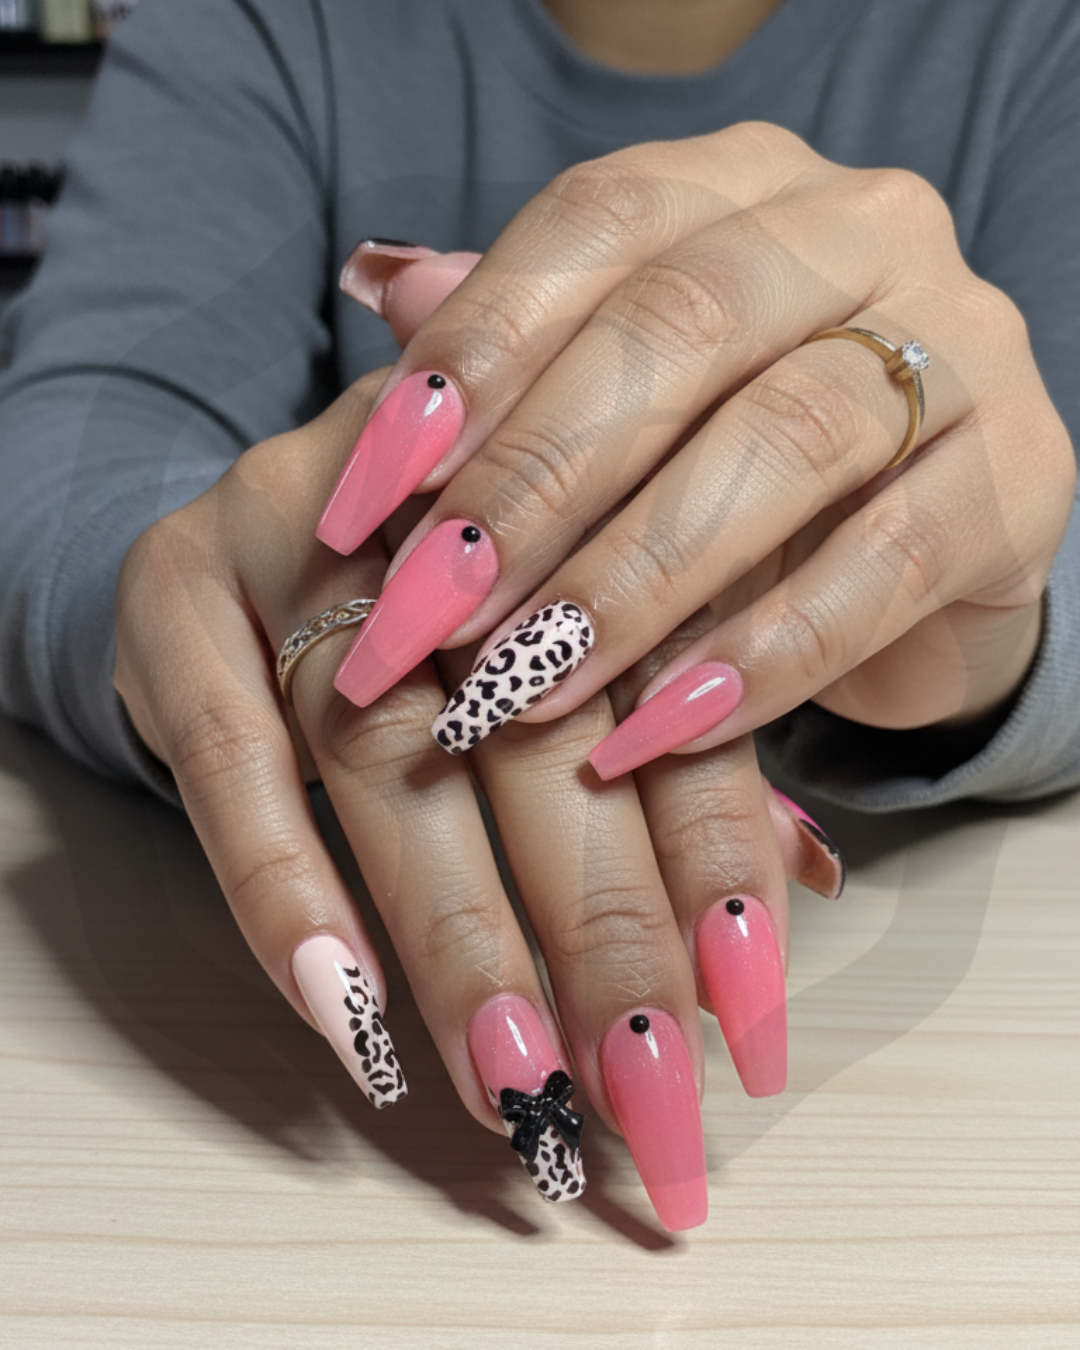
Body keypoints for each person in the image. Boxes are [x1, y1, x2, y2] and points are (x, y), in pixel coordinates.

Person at [1, 0, 1077, 1232]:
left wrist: (990, 629)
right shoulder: (263, 21)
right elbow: (73, 441)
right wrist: (206, 609)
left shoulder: (1036, 38)